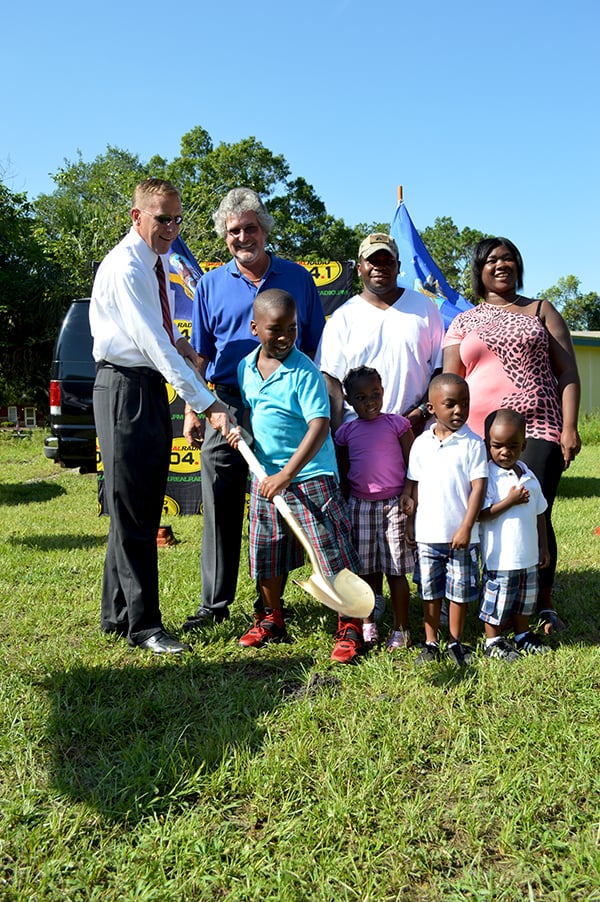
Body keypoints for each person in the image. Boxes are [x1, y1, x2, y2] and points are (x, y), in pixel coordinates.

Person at [90, 178, 231, 655]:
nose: (171, 228)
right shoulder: (128, 267)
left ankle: (116, 614)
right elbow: (149, 342)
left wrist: (184, 347)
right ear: (136, 216)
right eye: (161, 219)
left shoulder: (158, 263)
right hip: (124, 386)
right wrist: (207, 402)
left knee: (141, 501)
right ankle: (145, 626)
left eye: (177, 219)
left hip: (145, 385)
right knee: (134, 508)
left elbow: (161, 337)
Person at [182, 188, 325, 628]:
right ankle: (215, 604)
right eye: (233, 231)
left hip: (284, 399)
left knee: (292, 495)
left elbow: (316, 344)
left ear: (264, 229)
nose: (242, 237)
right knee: (222, 501)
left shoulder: (298, 278)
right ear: (225, 237)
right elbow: (201, 356)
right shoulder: (209, 285)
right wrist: (194, 409)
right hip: (224, 401)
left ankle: (275, 604)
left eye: (249, 228)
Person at [443, 237, 581, 632]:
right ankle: (488, 600)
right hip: (476, 435)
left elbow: (567, 372)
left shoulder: (540, 310)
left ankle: (543, 602)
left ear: (518, 266)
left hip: (538, 427)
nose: (500, 264)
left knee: (533, 511)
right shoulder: (464, 320)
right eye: (491, 259)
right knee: (479, 514)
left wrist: (569, 428)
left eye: (508, 258)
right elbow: (452, 380)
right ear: (479, 269)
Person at [227, 289, 366, 664]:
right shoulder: (245, 368)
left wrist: (288, 474)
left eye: (293, 327)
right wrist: (242, 432)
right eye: (276, 329)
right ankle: (270, 618)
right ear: (256, 328)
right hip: (266, 477)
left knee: (329, 550)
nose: (286, 335)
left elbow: (319, 426)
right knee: (266, 551)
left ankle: (351, 622)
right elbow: (255, 414)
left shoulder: (304, 370)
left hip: (310, 476)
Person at [315, 232, 445, 436]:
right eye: (372, 261)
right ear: (360, 269)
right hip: (360, 434)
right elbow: (331, 381)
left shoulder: (425, 307)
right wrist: (340, 434)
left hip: (417, 431)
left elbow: (440, 369)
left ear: (398, 267)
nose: (379, 266)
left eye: (387, 260)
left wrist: (421, 412)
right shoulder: (342, 317)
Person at [405, 373, 488, 666]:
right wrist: (408, 518)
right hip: (428, 534)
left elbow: (479, 487)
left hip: (461, 535)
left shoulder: (473, 443)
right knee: (430, 589)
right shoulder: (420, 444)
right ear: (431, 408)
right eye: (450, 404)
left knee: (460, 591)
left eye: (464, 404)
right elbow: (412, 483)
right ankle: (430, 641)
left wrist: (467, 526)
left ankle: (456, 640)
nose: (459, 411)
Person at [334, 366, 415, 650]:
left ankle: (401, 629)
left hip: (394, 506)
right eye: (361, 397)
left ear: (383, 391)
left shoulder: (397, 425)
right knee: (365, 570)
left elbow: (413, 466)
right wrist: (342, 506)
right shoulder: (346, 432)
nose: (370, 401)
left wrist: (409, 495)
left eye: (375, 394)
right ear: (349, 400)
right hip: (360, 506)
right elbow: (344, 471)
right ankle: (368, 623)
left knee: (396, 570)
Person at [479, 409, 551, 660]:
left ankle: (522, 635)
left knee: (524, 600)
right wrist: (510, 500)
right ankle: (493, 640)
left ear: (524, 444)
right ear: (487, 444)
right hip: (500, 558)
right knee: (495, 602)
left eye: (513, 445)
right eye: (497, 446)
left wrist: (543, 547)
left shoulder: (529, 475)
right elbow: (481, 514)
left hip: (528, 556)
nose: (505, 452)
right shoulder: (487, 476)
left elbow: (540, 512)